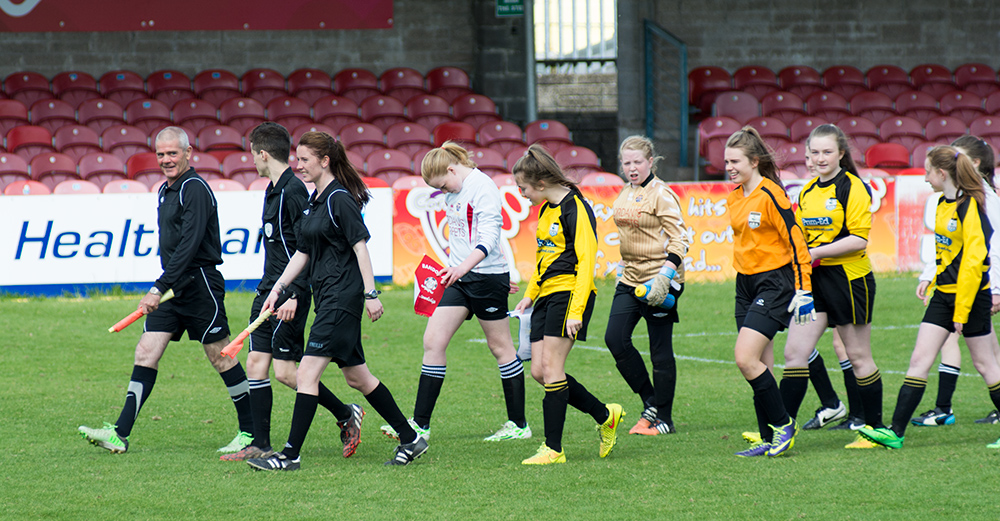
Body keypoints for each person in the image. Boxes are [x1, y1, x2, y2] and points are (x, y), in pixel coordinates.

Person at [245, 132, 424, 470]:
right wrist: (279, 287)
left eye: (305, 160)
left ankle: (289, 456)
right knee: (359, 378)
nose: (299, 166)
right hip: (328, 297)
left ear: (324, 161)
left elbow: (360, 248)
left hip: (343, 297)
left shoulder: (339, 198)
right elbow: (303, 251)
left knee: (306, 374)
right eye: (297, 160)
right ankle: (411, 439)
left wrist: (371, 294)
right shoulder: (315, 199)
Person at [79, 126, 254, 454]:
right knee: (146, 351)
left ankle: (250, 432)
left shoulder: (195, 189)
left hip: (200, 285)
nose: (166, 160)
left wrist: (158, 287)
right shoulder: (164, 189)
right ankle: (119, 433)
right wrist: (166, 285)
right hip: (175, 289)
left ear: (189, 153)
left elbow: (189, 246)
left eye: (172, 153)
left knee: (221, 357)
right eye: (160, 154)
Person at [221, 122, 363, 462]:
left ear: (263, 153)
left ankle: (345, 413)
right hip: (269, 290)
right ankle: (261, 444)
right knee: (256, 362)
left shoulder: (293, 192)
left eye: (253, 153)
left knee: (288, 373)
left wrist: (294, 293)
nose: (252, 160)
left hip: (288, 296)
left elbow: (305, 249)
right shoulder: (273, 189)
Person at [379, 141, 530, 442]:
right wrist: (456, 270)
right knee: (432, 340)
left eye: (443, 185)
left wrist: (483, 273)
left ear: (451, 169)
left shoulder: (483, 187)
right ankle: (420, 424)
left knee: (501, 347)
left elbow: (488, 239)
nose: (444, 192)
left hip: (484, 279)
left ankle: (519, 425)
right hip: (458, 278)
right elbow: (463, 239)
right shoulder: (455, 190)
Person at [860, 146, 1000, 449]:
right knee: (919, 360)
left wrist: (962, 312)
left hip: (972, 297)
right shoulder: (939, 204)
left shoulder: (971, 206)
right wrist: (931, 278)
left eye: (927, 171)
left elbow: (974, 263)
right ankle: (895, 432)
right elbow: (947, 253)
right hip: (943, 297)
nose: (924, 178)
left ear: (942, 173)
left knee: (986, 364)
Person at [511, 144, 624, 465]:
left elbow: (587, 262)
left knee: (552, 369)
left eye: (523, 188)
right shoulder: (547, 208)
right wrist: (530, 294)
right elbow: (543, 258)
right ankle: (605, 415)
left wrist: (576, 312)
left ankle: (553, 448)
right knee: (538, 371)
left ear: (541, 184)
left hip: (570, 295)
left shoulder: (576, 209)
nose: (521, 194)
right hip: (546, 297)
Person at [779, 124, 885, 449]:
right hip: (817, 281)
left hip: (849, 280)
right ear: (807, 155)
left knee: (858, 355)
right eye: (814, 152)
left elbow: (858, 240)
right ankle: (780, 429)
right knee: (795, 352)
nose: (820, 158)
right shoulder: (808, 191)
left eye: (827, 152)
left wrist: (816, 253)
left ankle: (875, 430)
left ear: (841, 153)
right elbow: (801, 236)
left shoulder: (853, 187)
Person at [723, 126, 811, 458]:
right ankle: (768, 437)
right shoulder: (734, 196)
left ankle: (784, 425)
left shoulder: (772, 193)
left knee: (744, 358)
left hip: (774, 283)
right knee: (761, 363)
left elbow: (796, 239)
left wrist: (804, 290)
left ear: (754, 161)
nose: (729, 167)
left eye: (735, 161)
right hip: (744, 284)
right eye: (727, 161)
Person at [911, 135, 1000, 428]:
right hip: (957, 287)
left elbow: (990, 250)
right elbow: (946, 247)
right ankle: (943, 407)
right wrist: (929, 275)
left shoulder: (983, 200)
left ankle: (943, 407)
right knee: (983, 354)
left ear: (973, 163)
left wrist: (996, 288)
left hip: (978, 287)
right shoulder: (950, 200)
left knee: (985, 357)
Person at [605, 135, 689, 436]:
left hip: (659, 282)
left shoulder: (662, 194)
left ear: (650, 161)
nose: (632, 168)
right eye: (626, 163)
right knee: (615, 339)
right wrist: (620, 264)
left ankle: (664, 419)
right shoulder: (625, 193)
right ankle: (651, 401)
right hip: (629, 279)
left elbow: (681, 239)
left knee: (660, 351)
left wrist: (665, 276)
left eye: (637, 162)